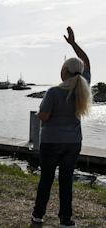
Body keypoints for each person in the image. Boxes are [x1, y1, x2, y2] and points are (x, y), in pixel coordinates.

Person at [31, 27, 92, 227]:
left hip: (51, 143)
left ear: (64, 72)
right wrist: (74, 44)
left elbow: (44, 117)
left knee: (46, 180)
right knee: (66, 182)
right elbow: (87, 63)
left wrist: (40, 113)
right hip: (73, 143)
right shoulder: (83, 88)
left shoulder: (53, 92)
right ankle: (66, 220)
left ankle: (38, 215)